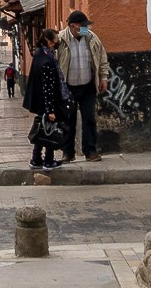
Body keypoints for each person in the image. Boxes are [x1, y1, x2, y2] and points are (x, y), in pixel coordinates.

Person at [55, 9, 110, 162]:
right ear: (72, 26)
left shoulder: (92, 39)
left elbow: (102, 58)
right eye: (82, 25)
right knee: (68, 121)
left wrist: (103, 78)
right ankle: (68, 153)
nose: (86, 28)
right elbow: (54, 63)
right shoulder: (60, 40)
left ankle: (90, 151)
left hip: (87, 85)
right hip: (68, 87)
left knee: (89, 119)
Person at [21, 35, 69, 169]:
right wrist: (50, 110)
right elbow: (48, 87)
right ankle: (48, 160)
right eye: (55, 41)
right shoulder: (47, 61)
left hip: (38, 100)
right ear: (49, 42)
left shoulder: (39, 54)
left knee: (43, 129)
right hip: (47, 101)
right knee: (50, 130)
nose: (57, 43)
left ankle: (36, 159)